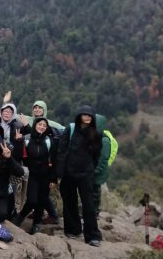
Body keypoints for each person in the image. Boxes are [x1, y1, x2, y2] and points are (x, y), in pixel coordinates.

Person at [56, 106, 103, 247]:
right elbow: (61, 151)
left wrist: (90, 169)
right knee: (70, 202)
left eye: (89, 116)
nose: (87, 118)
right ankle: (73, 230)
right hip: (69, 173)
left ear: (93, 118)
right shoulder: (70, 130)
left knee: (88, 205)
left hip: (86, 174)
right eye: (84, 115)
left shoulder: (96, 134)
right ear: (79, 116)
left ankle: (92, 236)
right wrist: (59, 173)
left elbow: (96, 155)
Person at [12, 118, 58, 234]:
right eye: (39, 124)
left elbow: (54, 160)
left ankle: (36, 224)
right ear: (35, 125)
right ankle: (21, 216)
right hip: (32, 175)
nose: (42, 127)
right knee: (32, 200)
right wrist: (18, 142)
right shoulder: (27, 139)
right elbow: (18, 157)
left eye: (44, 125)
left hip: (46, 175)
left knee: (41, 201)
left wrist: (53, 178)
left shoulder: (49, 141)